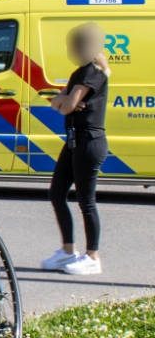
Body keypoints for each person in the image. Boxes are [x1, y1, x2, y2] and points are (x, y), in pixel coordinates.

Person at [41, 22, 109, 276]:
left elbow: (67, 105)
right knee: (57, 193)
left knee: (86, 201)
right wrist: (65, 101)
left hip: (89, 142)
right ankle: (67, 251)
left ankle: (92, 256)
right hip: (73, 141)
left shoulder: (93, 73)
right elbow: (57, 103)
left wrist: (66, 102)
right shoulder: (79, 72)